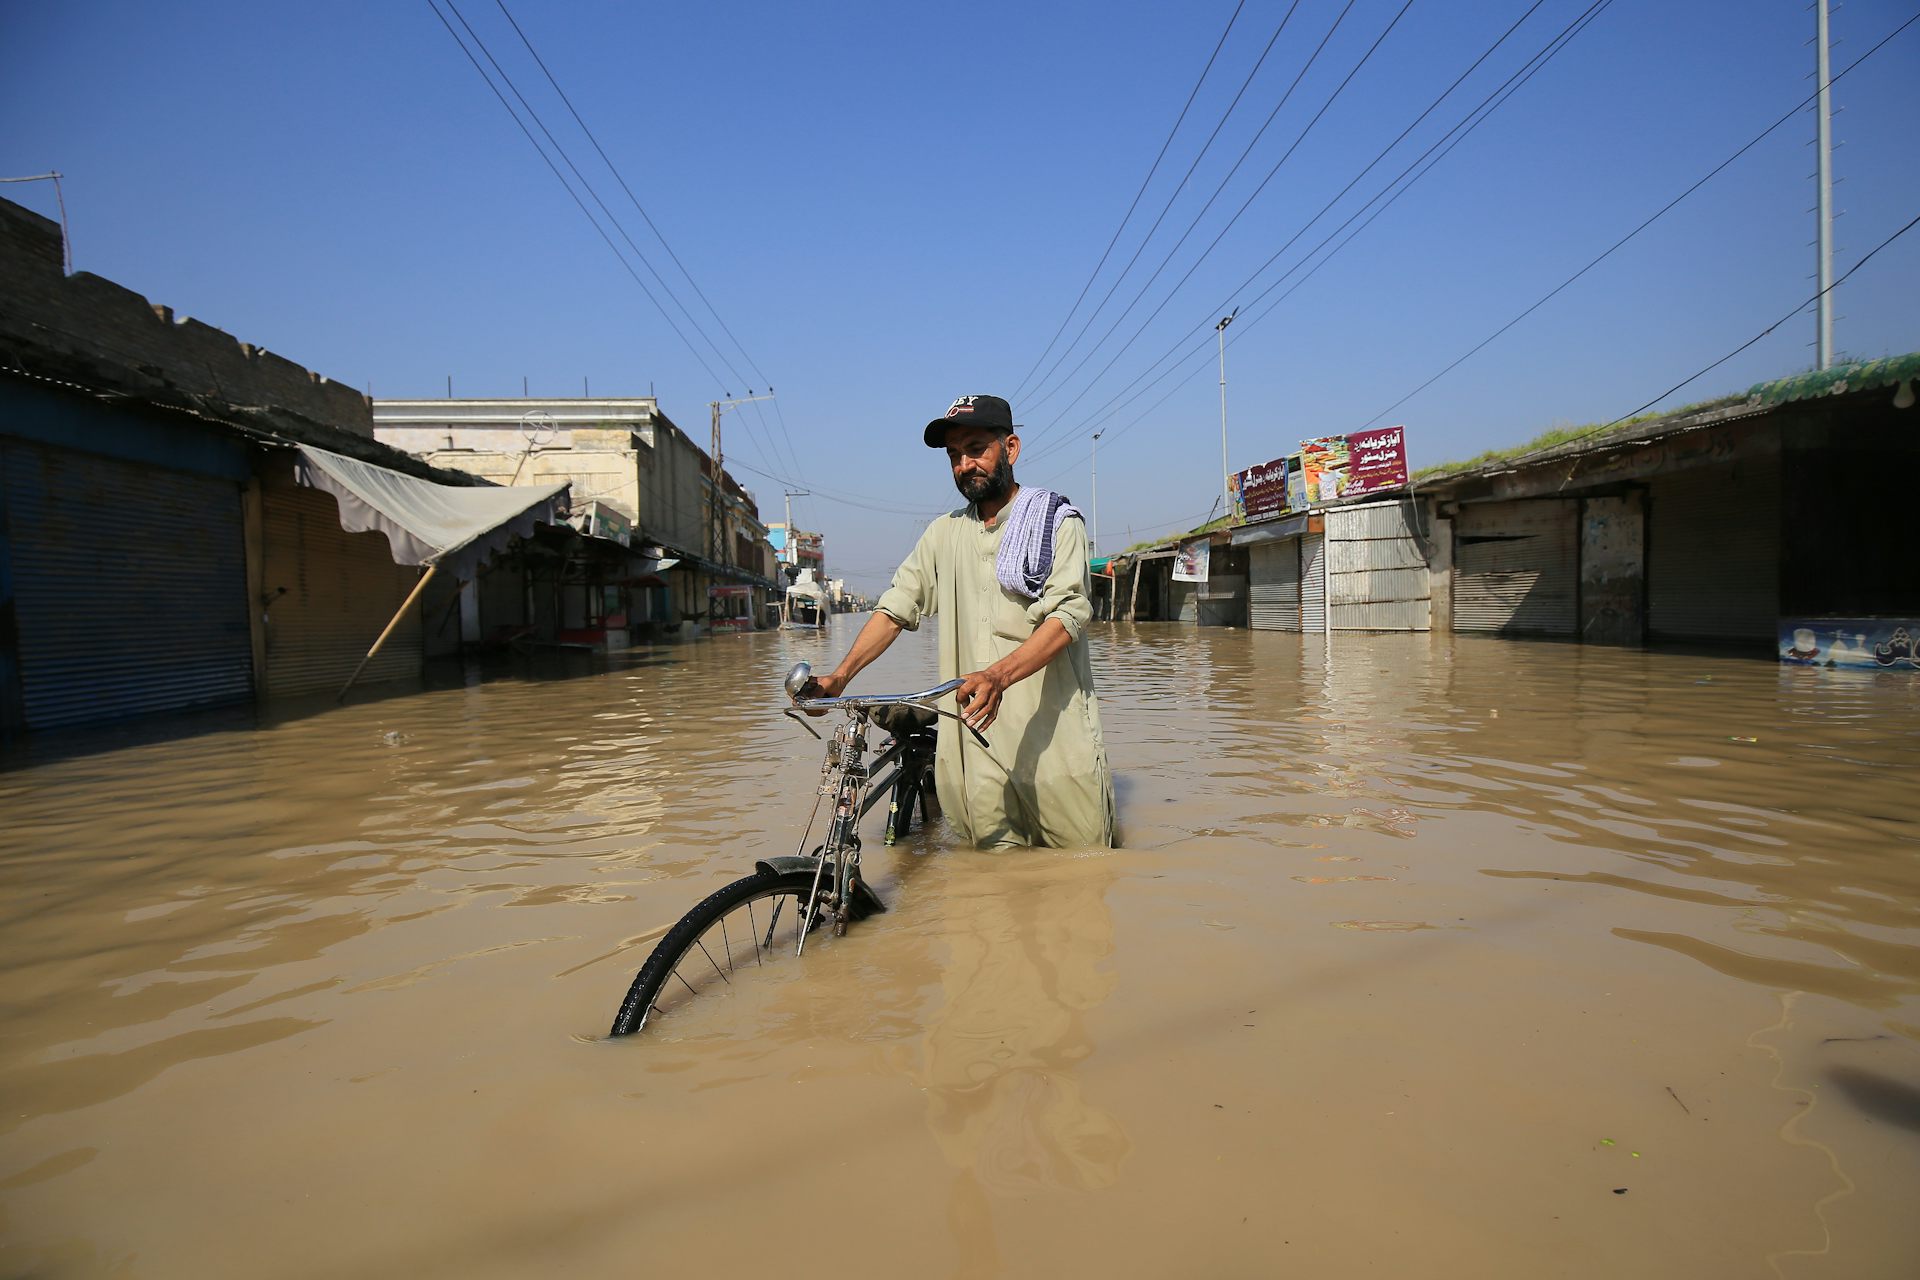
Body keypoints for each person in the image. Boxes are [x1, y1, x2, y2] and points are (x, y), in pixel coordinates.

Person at [800, 394, 1115, 849]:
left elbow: (1068, 617)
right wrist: (839, 677)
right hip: (975, 756)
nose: (964, 465)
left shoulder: (1056, 525)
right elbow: (895, 607)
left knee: (1080, 886)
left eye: (975, 449)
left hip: (1056, 752)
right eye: (954, 455)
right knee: (985, 895)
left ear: (1010, 449)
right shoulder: (942, 535)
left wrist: (996, 675)